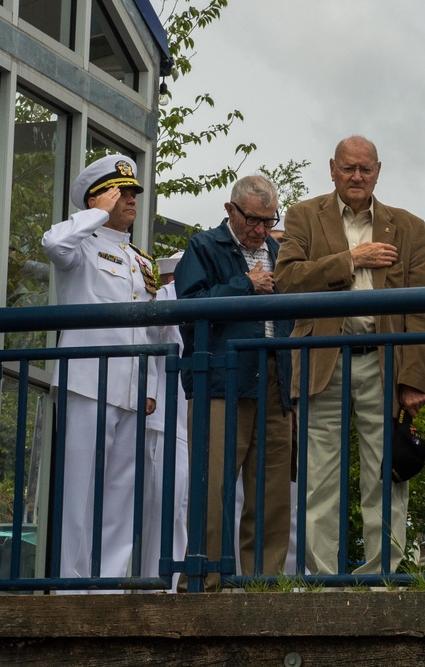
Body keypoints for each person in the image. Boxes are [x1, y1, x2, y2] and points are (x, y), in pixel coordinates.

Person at [276, 135, 425, 576]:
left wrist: (414, 378)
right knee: (318, 478)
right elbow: (286, 280)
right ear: (332, 169)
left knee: (386, 477)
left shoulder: (409, 226)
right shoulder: (304, 216)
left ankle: (381, 578)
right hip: (322, 361)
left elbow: (419, 310)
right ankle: (323, 581)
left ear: (378, 171)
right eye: (349, 168)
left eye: (365, 168)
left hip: (383, 364)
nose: (357, 176)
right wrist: (350, 259)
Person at [41, 154, 158, 588]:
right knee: (80, 490)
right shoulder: (80, 244)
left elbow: (145, 328)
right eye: (121, 192)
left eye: (132, 193)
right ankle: (70, 584)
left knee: (121, 495)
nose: (130, 200)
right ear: (97, 197)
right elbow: (53, 244)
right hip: (89, 382)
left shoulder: (138, 260)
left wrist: (149, 387)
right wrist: (95, 213)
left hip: (130, 388)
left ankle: (106, 585)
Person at [175, 174, 294, 589]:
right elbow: (187, 309)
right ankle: (207, 584)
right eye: (253, 220)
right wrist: (245, 284)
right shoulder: (204, 246)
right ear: (230, 210)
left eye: (268, 219)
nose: (260, 229)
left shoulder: (281, 252)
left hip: (274, 384)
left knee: (272, 496)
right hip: (221, 385)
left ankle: (264, 585)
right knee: (213, 492)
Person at [140, 251, 189, 592]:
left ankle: (170, 588)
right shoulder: (164, 300)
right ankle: (154, 588)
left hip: (188, 426)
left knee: (181, 510)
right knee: (162, 510)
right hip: (164, 423)